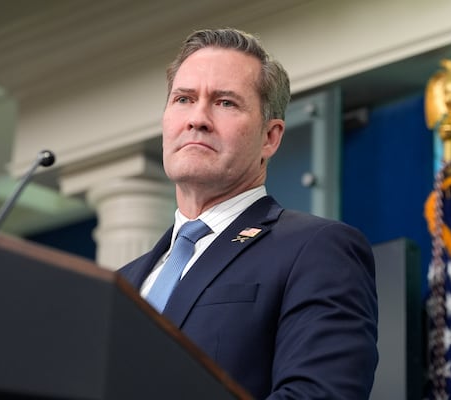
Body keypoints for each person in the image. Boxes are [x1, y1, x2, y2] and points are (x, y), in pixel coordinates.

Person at [118, 28, 378, 399]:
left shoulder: (316, 249)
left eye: (225, 103)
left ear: (270, 137)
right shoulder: (120, 285)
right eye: (183, 99)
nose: (198, 119)